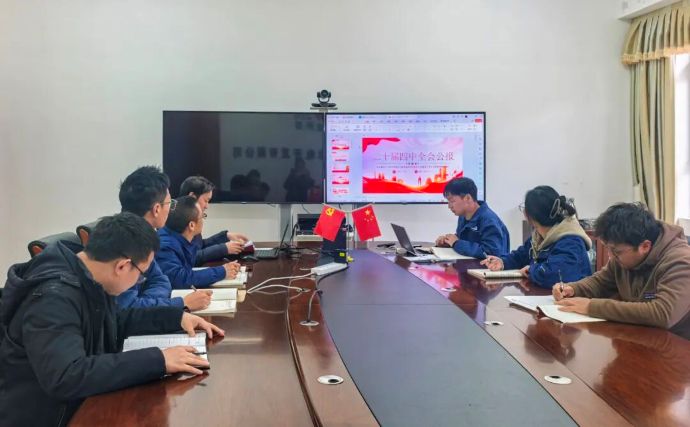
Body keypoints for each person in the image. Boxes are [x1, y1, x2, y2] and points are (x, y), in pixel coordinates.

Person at [0, 213, 224, 426]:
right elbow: (67, 376)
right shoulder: (53, 298)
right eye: (141, 275)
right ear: (122, 266)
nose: (139, 282)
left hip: (80, 404)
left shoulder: (88, 277)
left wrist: (176, 317)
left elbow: (116, 321)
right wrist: (158, 360)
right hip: (50, 418)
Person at [553, 203, 690, 339]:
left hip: (675, 345)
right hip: (637, 336)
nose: (610, 256)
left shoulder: (680, 261)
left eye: (616, 251)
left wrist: (591, 307)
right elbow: (600, 282)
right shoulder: (623, 257)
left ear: (645, 246)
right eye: (608, 249)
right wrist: (573, 289)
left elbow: (663, 313)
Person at [117, 166, 210, 311]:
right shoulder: (122, 244)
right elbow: (128, 309)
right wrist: (180, 303)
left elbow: (161, 281)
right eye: (170, 203)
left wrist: (149, 303)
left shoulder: (145, 238)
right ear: (156, 209)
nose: (171, 208)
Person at [482, 186, 592, 288]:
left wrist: (531, 270)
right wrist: (503, 262)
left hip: (570, 301)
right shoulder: (539, 237)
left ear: (528, 216)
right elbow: (521, 256)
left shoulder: (571, 241)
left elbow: (555, 274)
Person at [157, 196, 240, 289]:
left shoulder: (182, 236)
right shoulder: (165, 245)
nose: (203, 220)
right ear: (191, 225)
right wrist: (222, 271)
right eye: (202, 217)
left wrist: (224, 238)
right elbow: (179, 279)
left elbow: (194, 257)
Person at [179, 175, 250, 265]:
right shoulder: (178, 221)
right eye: (206, 200)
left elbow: (199, 246)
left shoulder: (189, 216)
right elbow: (190, 258)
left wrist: (226, 236)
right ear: (192, 197)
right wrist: (223, 249)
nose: (207, 206)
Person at [435, 177, 510, 258]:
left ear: (468, 198)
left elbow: (491, 252)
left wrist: (456, 243)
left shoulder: (488, 220)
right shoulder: (463, 216)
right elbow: (464, 241)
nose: (449, 206)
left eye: (452, 201)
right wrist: (449, 242)